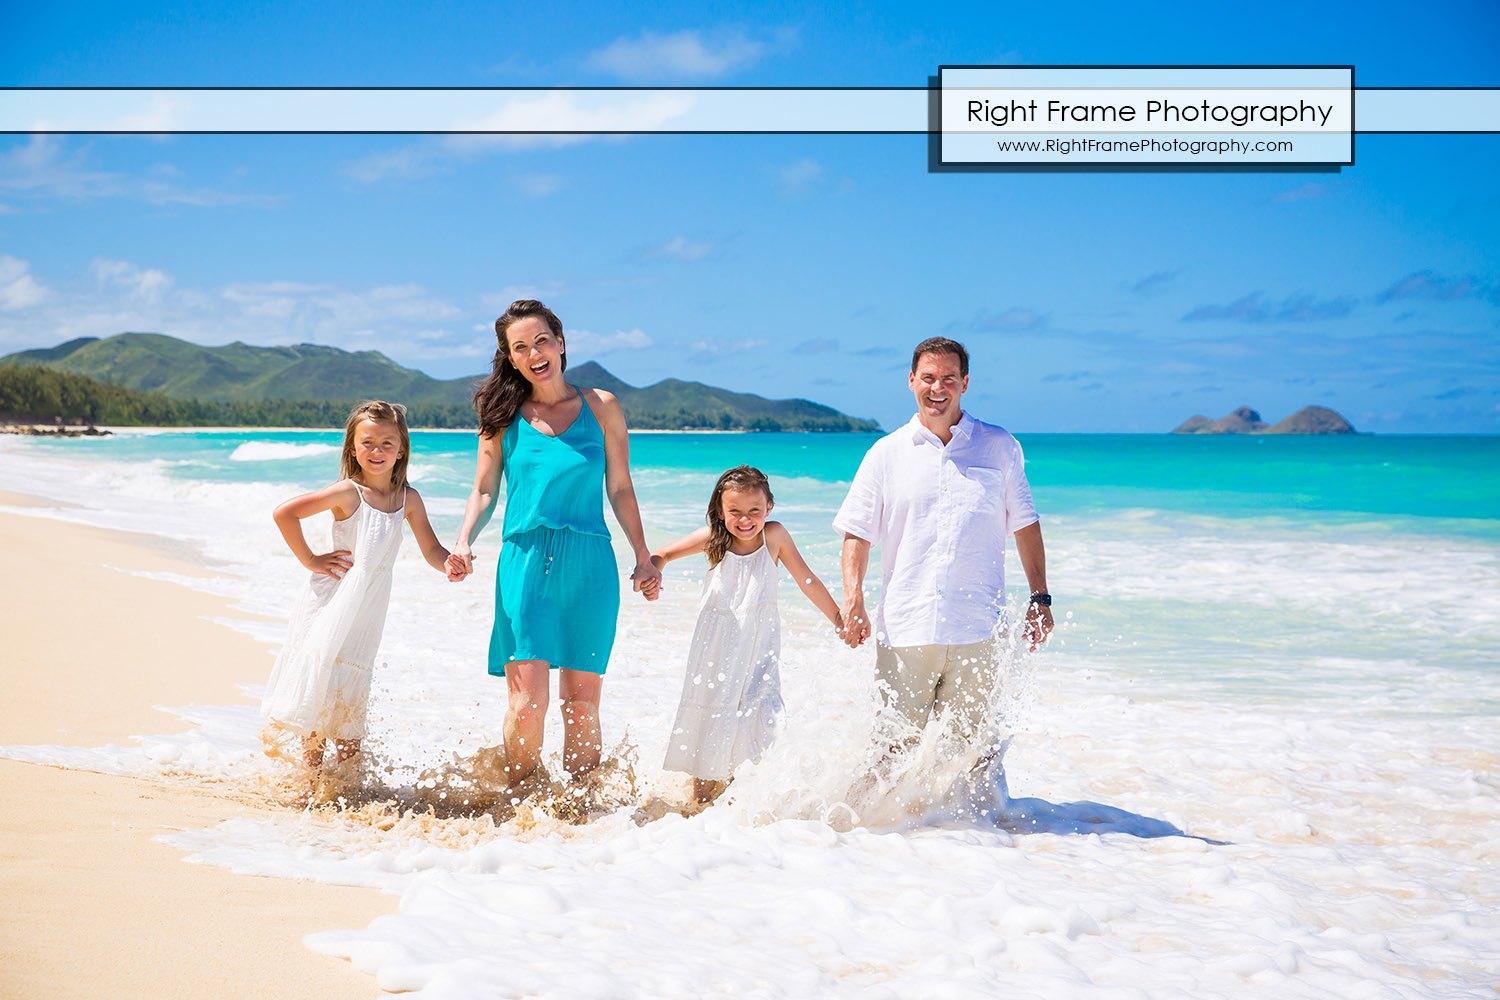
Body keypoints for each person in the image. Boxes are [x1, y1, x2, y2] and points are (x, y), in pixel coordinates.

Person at [447, 299, 661, 788]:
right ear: (511, 358)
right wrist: (462, 543)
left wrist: (643, 556)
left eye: (541, 340)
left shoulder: (602, 406)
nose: (534, 352)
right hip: (525, 562)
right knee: (526, 707)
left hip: (590, 565)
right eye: (519, 347)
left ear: (560, 343)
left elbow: (621, 486)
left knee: (582, 708)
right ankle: (521, 805)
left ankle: (578, 816)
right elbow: (484, 489)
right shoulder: (501, 416)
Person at [833, 337, 1053, 749]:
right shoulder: (885, 453)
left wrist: (1040, 598)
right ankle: (881, 818)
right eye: (929, 378)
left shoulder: (999, 446)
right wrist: (853, 598)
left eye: (948, 378)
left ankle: (965, 819)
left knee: (971, 756)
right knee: (891, 754)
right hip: (905, 628)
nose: (938, 388)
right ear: (912, 380)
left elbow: (1025, 524)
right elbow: (857, 533)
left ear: (965, 383)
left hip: (979, 630)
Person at [260, 400, 456, 799]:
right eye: (368, 443)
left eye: (388, 442)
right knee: (322, 684)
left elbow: (432, 550)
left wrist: (450, 564)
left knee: (352, 688)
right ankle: (310, 785)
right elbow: (285, 514)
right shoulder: (348, 493)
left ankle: (345, 786)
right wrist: (311, 559)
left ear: (402, 449)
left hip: (367, 611)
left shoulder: (410, 499)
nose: (378, 450)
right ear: (353, 448)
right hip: (332, 603)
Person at [650, 466, 843, 804]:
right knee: (713, 709)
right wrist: (652, 575)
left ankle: (743, 798)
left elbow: (806, 580)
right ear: (721, 511)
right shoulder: (714, 538)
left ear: (768, 507)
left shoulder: (774, 536)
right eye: (735, 511)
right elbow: (662, 554)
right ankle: (702, 802)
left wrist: (839, 618)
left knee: (758, 715)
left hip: (758, 646)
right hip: (716, 646)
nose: (745, 519)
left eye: (754, 510)